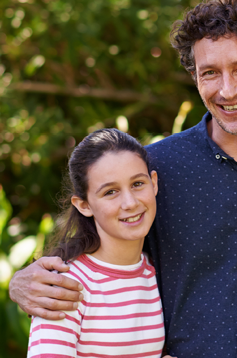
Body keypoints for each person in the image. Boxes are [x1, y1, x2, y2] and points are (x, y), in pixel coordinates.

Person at [10, 0, 237, 357]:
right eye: (210, 73)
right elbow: (99, 251)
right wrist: (21, 284)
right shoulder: (153, 171)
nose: (227, 90)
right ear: (194, 76)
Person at [26, 128, 166, 357]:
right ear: (84, 205)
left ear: (154, 183)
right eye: (111, 192)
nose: (130, 202)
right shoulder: (66, 287)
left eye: (138, 184)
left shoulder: (156, 272)